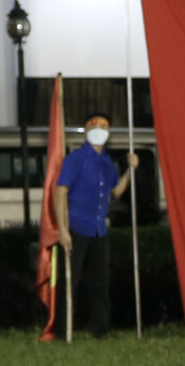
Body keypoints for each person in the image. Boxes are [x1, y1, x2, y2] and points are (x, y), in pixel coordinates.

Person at [54, 113, 139, 338]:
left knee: (99, 283)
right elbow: (61, 192)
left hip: (99, 229)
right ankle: (63, 331)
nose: (99, 129)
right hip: (76, 228)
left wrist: (130, 170)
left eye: (104, 126)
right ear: (86, 129)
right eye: (95, 125)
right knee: (70, 282)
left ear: (108, 133)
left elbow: (116, 191)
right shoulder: (76, 159)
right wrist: (62, 230)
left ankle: (101, 330)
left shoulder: (107, 162)